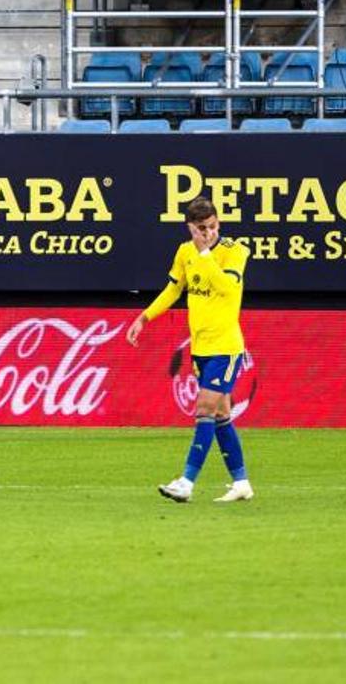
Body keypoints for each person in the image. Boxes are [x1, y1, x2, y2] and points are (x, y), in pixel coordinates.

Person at [126, 196, 254, 503]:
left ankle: (186, 481)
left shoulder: (235, 251)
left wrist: (206, 252)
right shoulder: (185, 252)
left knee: (204, 409)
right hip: (201, 348)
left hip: (226, 346)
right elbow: (173, 289)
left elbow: (226, 287)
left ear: (218, 223)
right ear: (190, 228)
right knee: (221, 413)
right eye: (202, 228)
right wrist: (144, 317)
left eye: (212, 226)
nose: (208, 232)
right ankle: (241, 483)